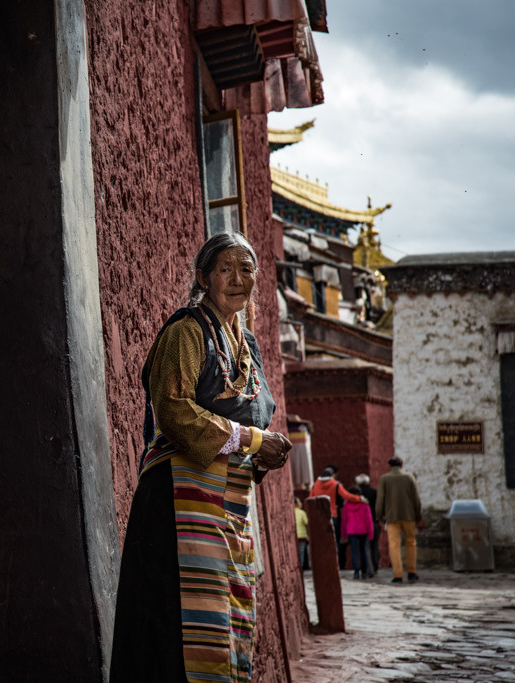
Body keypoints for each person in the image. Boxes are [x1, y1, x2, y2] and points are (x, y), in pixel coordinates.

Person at [110, 232, 292, 682]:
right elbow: (172, 408)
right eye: (225, 269)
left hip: (229, 504)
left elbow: (257, 415)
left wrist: (267, 451)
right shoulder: (186, 332)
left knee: (226, 610)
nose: (237, 279)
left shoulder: (246, 344)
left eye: (246, 269)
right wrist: (252, 441)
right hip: (178, 502)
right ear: (203, 278)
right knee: (174, 620)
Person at [375, 457, 422, 583]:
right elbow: (416, 499)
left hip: (391, 517)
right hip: (409, 516)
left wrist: (379, 516)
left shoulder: (384, 479)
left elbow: (380, 500)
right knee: (411, 543)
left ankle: (398, 574)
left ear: (389, 466)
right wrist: (418, 515)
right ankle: (412, 571)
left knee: (394, 545)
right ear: (401, 465)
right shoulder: (409, 477)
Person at [309, 467, 366, 570]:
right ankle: (335, 565)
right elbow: (346, 495)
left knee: (322, 542)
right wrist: (360, 498)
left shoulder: (315, 485)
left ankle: (323, 565)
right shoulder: (335, 484)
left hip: (319, 516)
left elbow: (310, 499)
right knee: (334, 542)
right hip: (333, 515)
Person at [341, 485, 374, 579]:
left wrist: (343, 533)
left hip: (351, 530)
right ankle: (364, 571)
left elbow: (344, 520)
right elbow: (369, 520)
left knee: (354, 552)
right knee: (363, 551)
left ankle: (356, 571)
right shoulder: (364, 505)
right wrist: (371, 533)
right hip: (363, 530)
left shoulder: (347, 505)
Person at [356, 473, 380, 574]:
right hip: (374, 521)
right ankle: (374, 566)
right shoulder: (374, 492)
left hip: (360, 524)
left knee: (363, 547)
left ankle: (365, 567)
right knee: (374, 545)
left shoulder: (355, 495)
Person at [294, 497, 310, 571]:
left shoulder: (291, 512)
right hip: (302, 536)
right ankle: (301, 568)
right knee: (301, 552)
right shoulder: (302, 512)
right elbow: (306, 522)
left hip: (294, 536)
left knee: (295, 553)